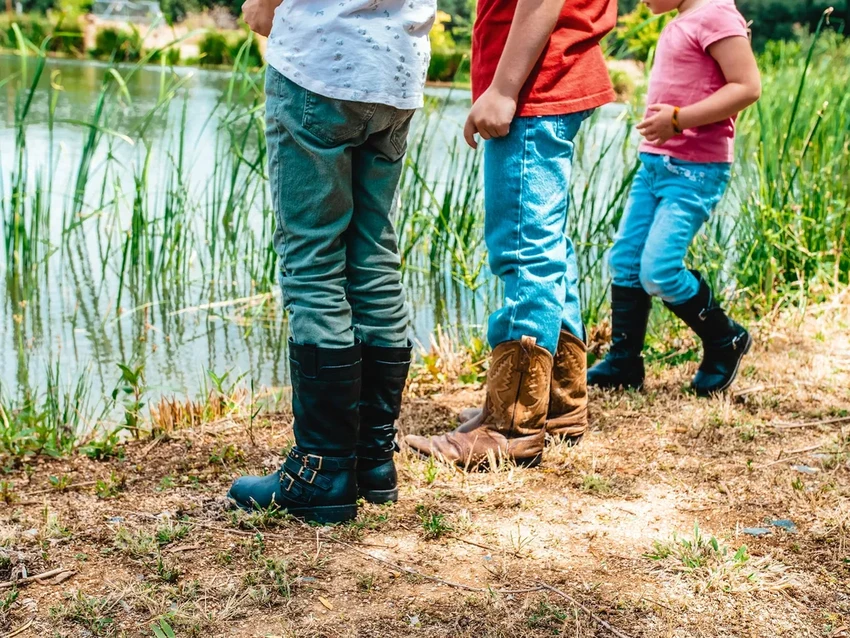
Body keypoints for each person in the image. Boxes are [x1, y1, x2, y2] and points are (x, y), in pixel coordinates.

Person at [227, 0, 436, 523]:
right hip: (397, 70)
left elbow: (261, 14)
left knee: (313, 259)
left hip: (320, 60)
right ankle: (372, 460)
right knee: (373, 256)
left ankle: (323, 468)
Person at [405, 0, 618, 467]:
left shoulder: (520, 86)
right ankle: (559, 404)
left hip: (533, 84)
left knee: (525, 249)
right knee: (547, 245)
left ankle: (509, 427)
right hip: (547, 75)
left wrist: (503, 87)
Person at [588, 0, 761, 396]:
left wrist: (679, 119)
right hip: (654, 168)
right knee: (626, 261)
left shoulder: (717, 15)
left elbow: (748, 86)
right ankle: (624, 360)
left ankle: (724, 338)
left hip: (694, 171)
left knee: (659, 269)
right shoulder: (682, 19)